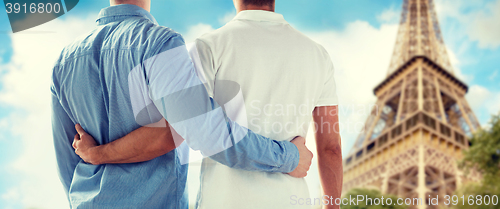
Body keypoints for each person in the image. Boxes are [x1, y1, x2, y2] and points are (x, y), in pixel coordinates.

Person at [51, 0, 313, 208]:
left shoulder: (63, 62)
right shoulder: (158, 44)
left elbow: (68, 162)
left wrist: (96, 159)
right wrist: (289, 157)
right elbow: (205, 132)